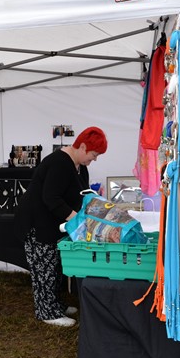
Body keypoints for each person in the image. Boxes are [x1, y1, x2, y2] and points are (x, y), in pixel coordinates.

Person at [14, 126, 108, 327]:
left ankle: (55, 305)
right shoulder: (59, 163)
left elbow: (83, 195)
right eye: (93, 155)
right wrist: (77, 220)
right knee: (44, 268)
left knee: (55, 266)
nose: (94, 159)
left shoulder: (80, 166)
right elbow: (51, 198)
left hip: (54, 223)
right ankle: (46, 312)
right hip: (37, 223)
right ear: (83, 147)